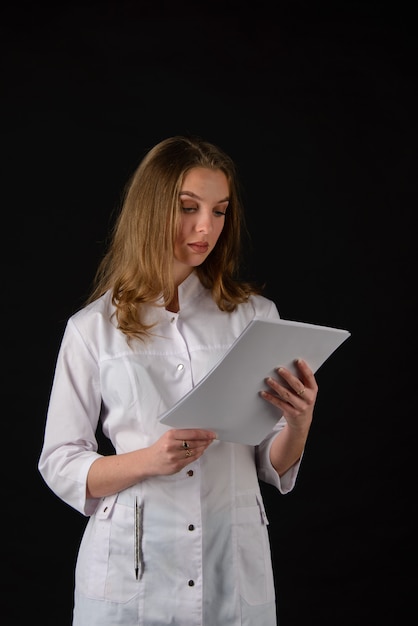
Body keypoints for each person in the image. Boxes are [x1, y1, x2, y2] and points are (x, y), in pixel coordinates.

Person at [38, 134, 318, 626]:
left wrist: (298, 422)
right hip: (133, 567)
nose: (206, 227)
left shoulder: (256, 318)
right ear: (151, 209)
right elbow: (60, 461)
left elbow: (271, 462)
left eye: (220, 210)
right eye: (189, 207)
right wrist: (151, 459)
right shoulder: (93, 329)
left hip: (229, 560)